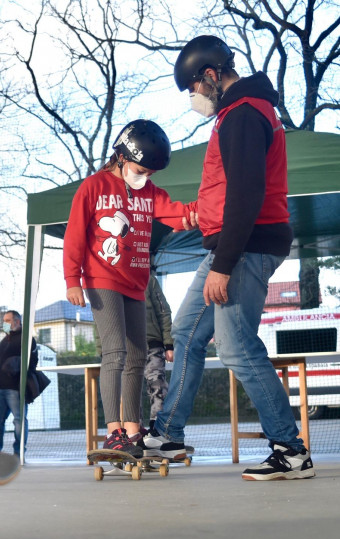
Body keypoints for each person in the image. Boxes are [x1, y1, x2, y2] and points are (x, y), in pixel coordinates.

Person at [144, 35, 314, 480]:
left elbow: (248, 193)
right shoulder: (237, 113)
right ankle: (169, 433)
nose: (194, 99)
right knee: (185, 331)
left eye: (194, 90)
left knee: (237, 346)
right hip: (229, 243)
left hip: (246, 246)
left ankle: (290, 450)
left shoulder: (242, 114)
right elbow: (229, 191)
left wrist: (223, 265)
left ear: (212, 75)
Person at [63, 119, 197, 459]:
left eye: (151, 173)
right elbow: (75, 235)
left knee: (138, 355)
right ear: (121, 156)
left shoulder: (149, 192)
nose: (145, 177)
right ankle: (113, 432)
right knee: (116, 354)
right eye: (141, 169)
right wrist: (72, 280)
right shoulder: (94, 186)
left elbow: (175, 214)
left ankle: (134, 431)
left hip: (136, 281)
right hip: (101, 279)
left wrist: (198, 214)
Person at [0, 310, 37, 458]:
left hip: (15, 388)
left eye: (8, 320)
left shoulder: (26, 339)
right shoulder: (6, 339)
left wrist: (19, 370)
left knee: (19, 420)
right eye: (4, 320)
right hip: (0, 388)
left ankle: (19, 451)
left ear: (17, 321)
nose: (5, 323)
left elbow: (33, 361)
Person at [144, 272, 172, 430]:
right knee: (129, 392)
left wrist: (169, 344)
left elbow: (164, 311)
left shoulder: (150, 280)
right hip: (125, 346)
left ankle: (158, 428)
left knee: (158, 386)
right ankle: (133, 431)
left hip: (152, 344)